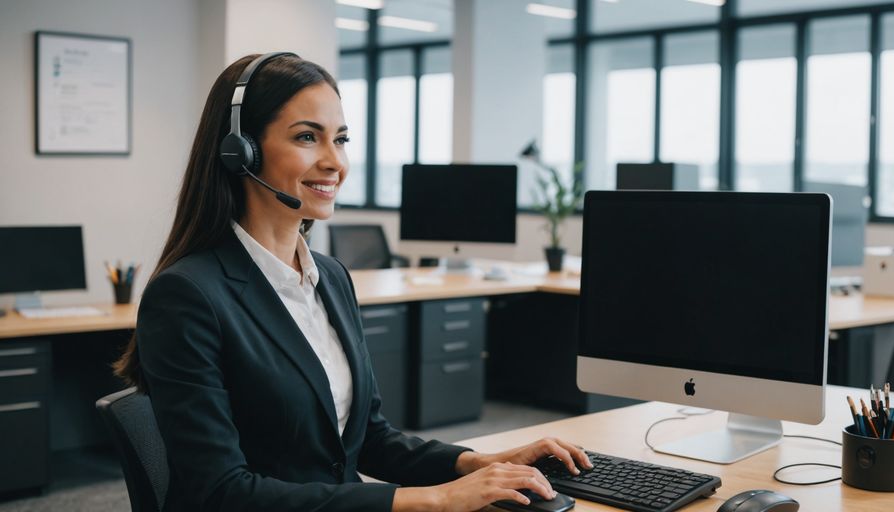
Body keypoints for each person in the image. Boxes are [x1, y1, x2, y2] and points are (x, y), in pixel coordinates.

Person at [113, 53, 590, 512]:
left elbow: (370, 439)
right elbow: (221, 493)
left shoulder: (331, 278)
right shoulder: (188, 295)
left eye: (340, 139)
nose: (334, 162)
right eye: (307, 137)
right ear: (240, 153)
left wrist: (480, 463)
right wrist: (438, 499)